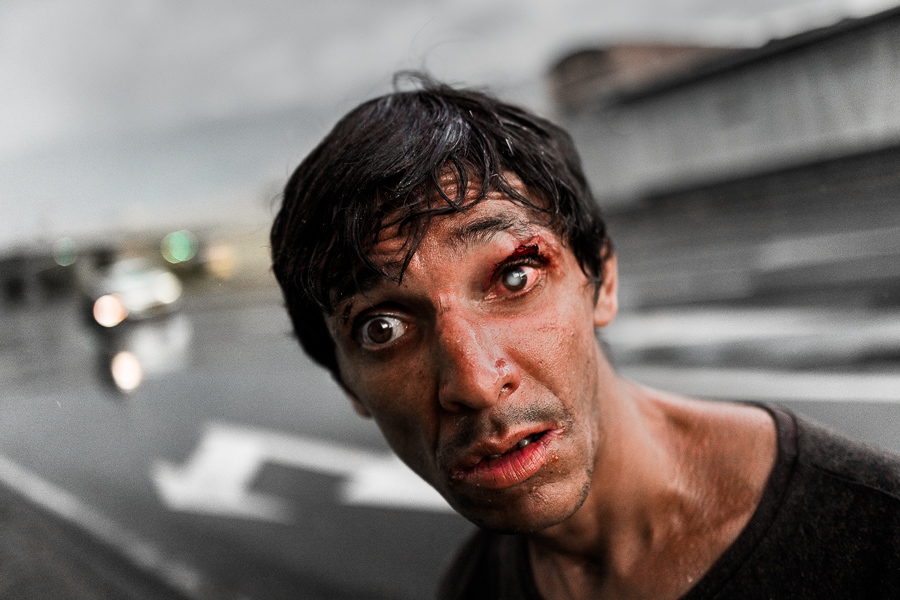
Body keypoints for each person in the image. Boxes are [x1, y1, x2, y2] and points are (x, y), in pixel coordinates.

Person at [270, 74, 900, 599]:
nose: (476, 383)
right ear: (346, 381)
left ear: (601, 278)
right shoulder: (472, 590)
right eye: (383, 328)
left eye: (515, 276)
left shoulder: (875, 536)